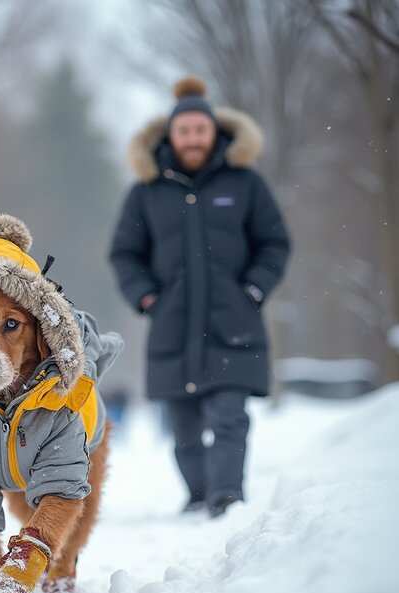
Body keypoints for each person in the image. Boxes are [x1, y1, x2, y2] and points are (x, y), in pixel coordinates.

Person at [109, 77, 290, 518]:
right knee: (184, 429)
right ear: (171, 134)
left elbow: (274, 243)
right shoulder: (146, 192)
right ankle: (199, 494)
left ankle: (226, 497)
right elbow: (125, 254)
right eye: (184, 130)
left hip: (235, 323)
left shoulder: (246, 183)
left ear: (215, 132)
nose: (193, 139)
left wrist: (253, 289)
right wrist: (148, 297)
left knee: (229, 417)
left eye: (200, 130)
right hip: (171, 327)